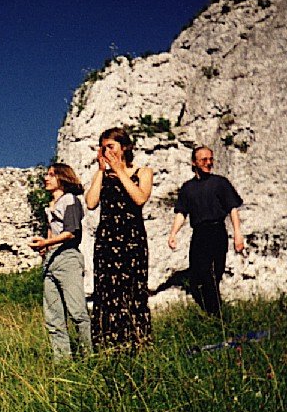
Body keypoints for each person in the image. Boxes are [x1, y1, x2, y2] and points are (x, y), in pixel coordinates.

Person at [85, 127, 153, 351]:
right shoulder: (102, 176)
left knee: (133, 289)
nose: (107, 151)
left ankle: (137, 343)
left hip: (132, 239)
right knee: (106, 291)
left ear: (124, 148)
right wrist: (101, 170)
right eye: (103, 147)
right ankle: (108, 345)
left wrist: (119, 170)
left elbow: (140, 198)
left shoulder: (143, 172)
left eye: (111, 146)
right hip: (107, 239)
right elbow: (91, 202)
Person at [168, 146, 244, 316]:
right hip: (200, 234)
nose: (208, 163)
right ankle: (214, 312)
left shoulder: (220, 183)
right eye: (204, 160)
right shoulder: (187, 188)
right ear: (194, 162)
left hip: (217, 231)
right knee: (200, 273)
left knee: (215, 273)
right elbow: (181, 212)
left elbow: (232, 209)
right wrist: (173, 233)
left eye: (210, 159)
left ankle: (216, 314)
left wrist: (237, 234)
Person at [29, 164, 92, 360]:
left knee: (77, 312)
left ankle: (89, 356)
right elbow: (52, 232)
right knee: (53, 316)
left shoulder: (70, 200)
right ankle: (63, 361)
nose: (46, 178)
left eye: (52, 175)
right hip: (51, 260)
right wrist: (45, 247)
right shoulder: (51, 205)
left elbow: (71, 232)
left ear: (63, 178)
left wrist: (47, 243)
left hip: (67, 259)